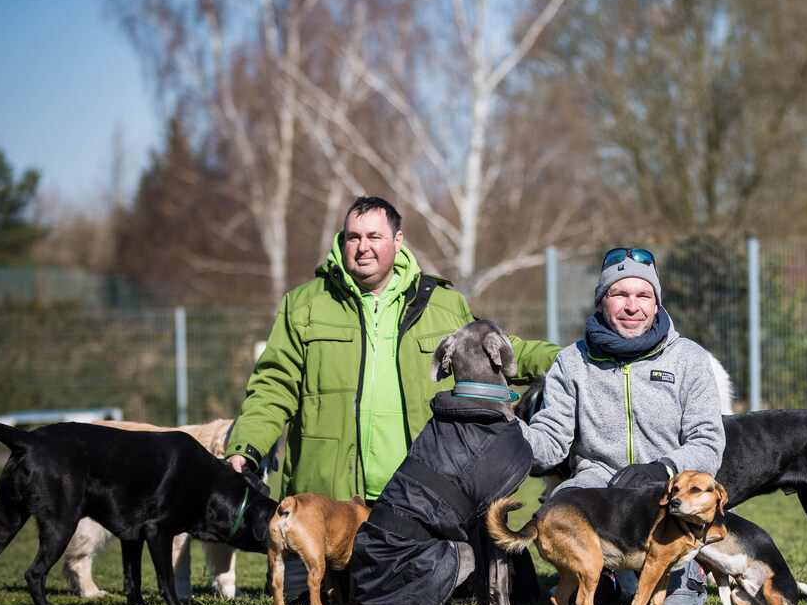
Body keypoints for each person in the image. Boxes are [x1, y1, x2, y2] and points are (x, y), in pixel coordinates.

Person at [225, 196, 559, 504]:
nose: (362, 247)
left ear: (398, 241)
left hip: (419, 496)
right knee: (308, 571)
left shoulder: (441, 305)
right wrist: (246, 449)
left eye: (374, 237)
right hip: (327, 500)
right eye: (353, 237)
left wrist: (572, 358)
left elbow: (501, 348)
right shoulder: (305, 305)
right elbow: (273, 387)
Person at [518, 246, 726, 605]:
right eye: (620, 294)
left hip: (664, 497)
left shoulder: (689, 358)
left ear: (657, 303)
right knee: (561, 508)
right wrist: (509, 432)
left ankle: (685, 563)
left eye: (644, 295)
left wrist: (662, 469)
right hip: (596, 490)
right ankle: (600, 571)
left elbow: (708, 441)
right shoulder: (571, 361)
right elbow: (550, 441)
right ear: (602, 302)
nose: (633, 306)